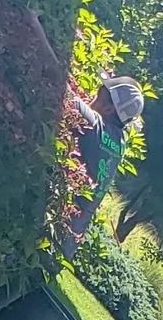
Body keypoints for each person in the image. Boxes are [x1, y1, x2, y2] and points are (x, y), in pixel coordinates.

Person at [60, 74, 146, 252]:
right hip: (68, 245)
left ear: (108, 110)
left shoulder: (94, 124)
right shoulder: (119, 143)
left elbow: (59, 85)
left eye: (98, 95)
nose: (91, 99)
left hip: (51, 234)